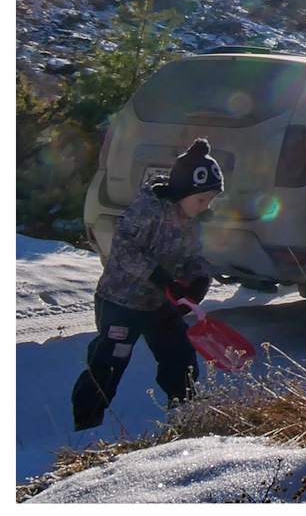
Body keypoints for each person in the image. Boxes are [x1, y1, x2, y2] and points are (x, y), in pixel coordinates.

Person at [71, 138, 223, 432]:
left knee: (179, 355)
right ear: (182, 191)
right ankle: (86, 422)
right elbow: (124, 248)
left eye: (210, 200)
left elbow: (194, 257)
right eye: (201, 199)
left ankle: (184, 411)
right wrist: (157, 275)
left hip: (159, 304)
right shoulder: (149, 210)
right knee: (109, 362)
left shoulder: (193, 220)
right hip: (122, 302)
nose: (206, 206)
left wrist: (200, 278)